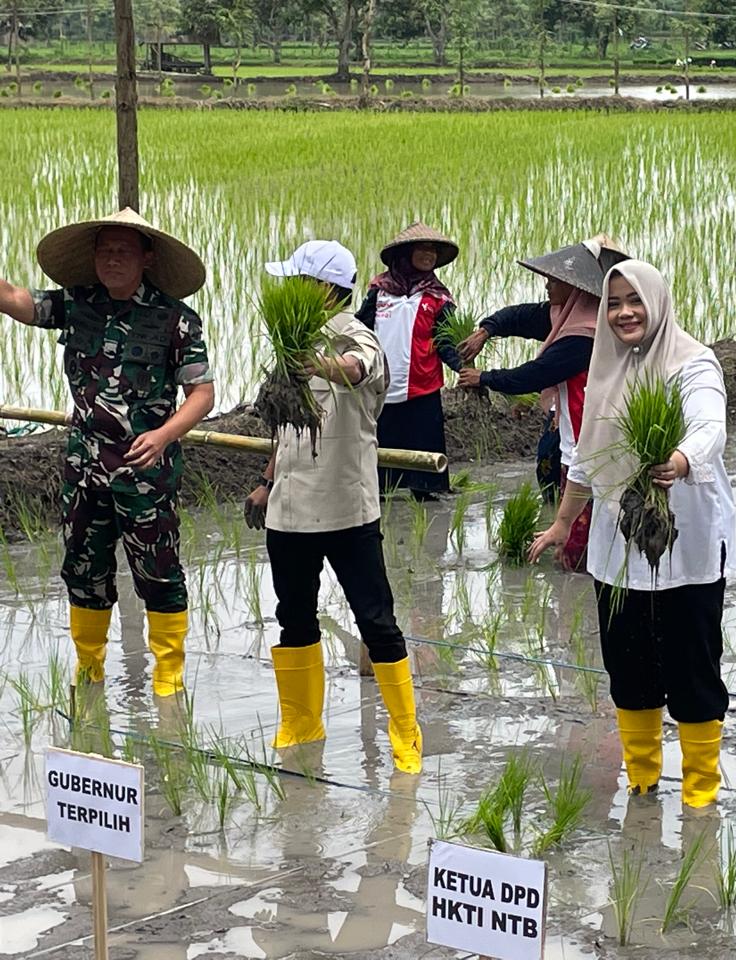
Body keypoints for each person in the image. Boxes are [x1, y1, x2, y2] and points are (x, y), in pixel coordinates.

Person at [529, 260, 734, 808]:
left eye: (634, 300)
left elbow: (709, 423)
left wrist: (682, 459)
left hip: (685, 544)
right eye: (614, 303)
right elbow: (583, 457)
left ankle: (699, 793)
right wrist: (562, 523)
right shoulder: (604, 368)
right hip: (617, 548)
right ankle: (642, 783)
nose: (624, 313)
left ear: (658, 301)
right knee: (628, 665)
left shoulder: (692, 362)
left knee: (693, 668)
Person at [0, 208, 215, 696]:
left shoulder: (174, 321)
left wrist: (163, 436)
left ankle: (168, 677)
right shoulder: (77, 305)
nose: (112, 259)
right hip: (85, 468)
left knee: (158, 571)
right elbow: (15, 299)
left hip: (144, 472)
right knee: (82, 568)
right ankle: (89, 670)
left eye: (123, 250)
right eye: (104, 250)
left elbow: (203, 395)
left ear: (147, 257)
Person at [244, 240, 423, 775]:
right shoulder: (290, 342)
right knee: (293, 617)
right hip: (289, 511)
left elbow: (356, 368)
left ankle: (405, 732)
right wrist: (265, 482)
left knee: (376, 621)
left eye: (296, 281)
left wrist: (312, 360)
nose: (287, 290)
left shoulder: (356, 337)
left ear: (322, 290)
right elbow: (287, 426)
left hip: (348, 510)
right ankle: (301, 723)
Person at [458, 235, 628, 572]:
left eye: (553, 280)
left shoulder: (585, 334)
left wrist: (485, 378)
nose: (547, 285)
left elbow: (536, 374)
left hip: (590, 446)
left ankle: (580, 610)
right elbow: (523, 316)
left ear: (575, 285)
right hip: (570, 443)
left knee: (581, 554)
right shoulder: (568, 315)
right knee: (570, 528)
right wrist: (486, 330)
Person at [354, 223, 462, 500]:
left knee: (424, 439)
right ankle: (377, 490)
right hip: (382, 383)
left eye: (433, 250)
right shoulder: (379, 292)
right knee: (381, 437)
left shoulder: (439, 298)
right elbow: (359, 329)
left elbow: (446, 342)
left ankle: (426, 491)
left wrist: (465, 369)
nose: (429, 255)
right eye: (422, 248)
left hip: (422, 384)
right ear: (405, 253)